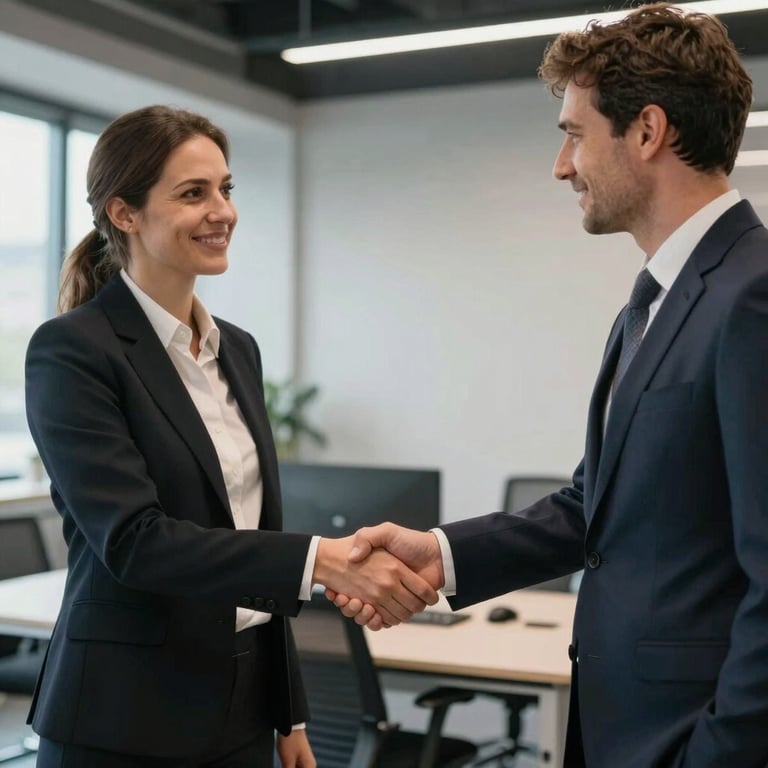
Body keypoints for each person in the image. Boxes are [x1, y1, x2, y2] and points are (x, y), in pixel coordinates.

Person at [330, 4, 768, 766]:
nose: (561, 166)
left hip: (687, 742)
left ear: (647, 131)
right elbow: (591, 509)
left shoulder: (752, 298)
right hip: (622, 730)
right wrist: (439, 555)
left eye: (573, 134)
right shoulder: (653, 303)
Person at [24, 104, 437, 768]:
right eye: (194, 193)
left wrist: (289, 710)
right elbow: (136, 543)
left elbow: (251, 530)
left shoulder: (236, 350)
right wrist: (322, 562)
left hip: (242, 707)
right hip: (124, 719)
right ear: (126, 213)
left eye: (226, 188)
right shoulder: (74, 351)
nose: (223, 211)